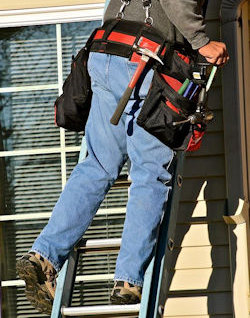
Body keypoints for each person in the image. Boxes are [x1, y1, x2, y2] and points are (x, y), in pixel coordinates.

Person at [16, 0, 229, 315]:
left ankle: (44, 256)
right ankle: (128, 279)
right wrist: (201, 42)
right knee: (149, 175)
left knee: (96, 167)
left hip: (106, 52)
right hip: (144, 60)